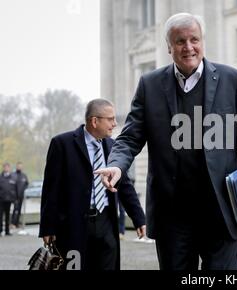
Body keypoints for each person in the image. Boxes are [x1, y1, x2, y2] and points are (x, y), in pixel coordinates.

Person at [95, 13, 237, 270]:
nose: (188, 47)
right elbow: (130, 137)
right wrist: (117, 165)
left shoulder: (231, 79)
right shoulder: (149, 84)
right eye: (180, 41)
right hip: (173, 216)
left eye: (194, 39)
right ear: (168, 47)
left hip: (221, 211)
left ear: (202, 41)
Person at [39, 99, 146, 270]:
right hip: (73, 226)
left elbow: (124, 186)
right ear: (94, 121)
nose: (115, 123)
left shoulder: (113, 147)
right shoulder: (62, 144)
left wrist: (139, 218)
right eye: (110, 119)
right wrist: (47, 227)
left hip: (106, 224)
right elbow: (51, 189)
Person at [0, 162, 18, 236]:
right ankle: (0, 230)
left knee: (8, 216)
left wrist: (15, 198)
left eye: (8, 167)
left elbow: (15, 189)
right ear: (3, 168)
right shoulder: (0, 177)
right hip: (1, 200)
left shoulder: (13, 178)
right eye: (5, 167)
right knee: (0, 216)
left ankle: (7, 231)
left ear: (9, 168)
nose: (6, 168)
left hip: (9, 200)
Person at [11, 162, 29, 228]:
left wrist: (24, 189)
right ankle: (12, 223)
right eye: (18, 166)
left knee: (19, 210)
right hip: (15, 196)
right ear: (16, 166)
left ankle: (17, 223)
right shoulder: (13, 175)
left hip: (21, 196)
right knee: (15, 210)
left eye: (21, 166)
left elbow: (27, 184)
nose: (19, 167)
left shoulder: (24, 175)